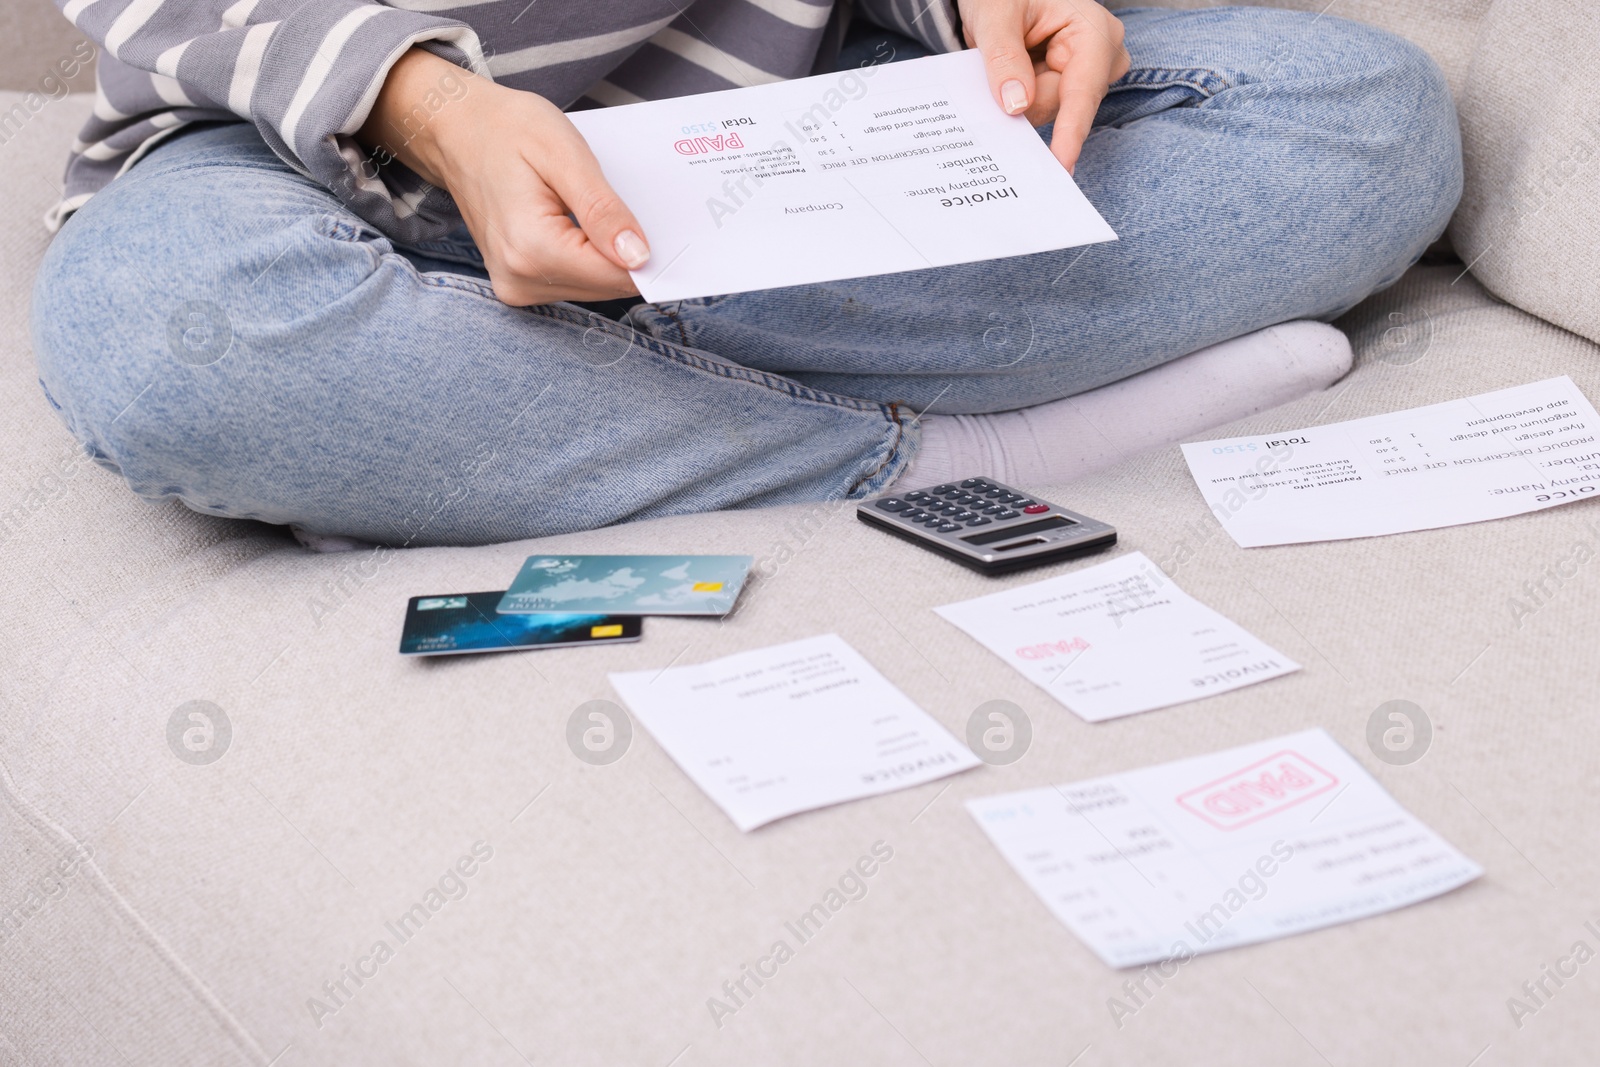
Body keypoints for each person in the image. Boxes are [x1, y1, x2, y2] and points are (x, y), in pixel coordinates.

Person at [31, 0, 1461, 547]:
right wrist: (434, 110)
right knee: (170, 347)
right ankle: (935, 449)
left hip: (754, 142)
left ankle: (489, 411)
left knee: (1360, 119)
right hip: (310, 158)